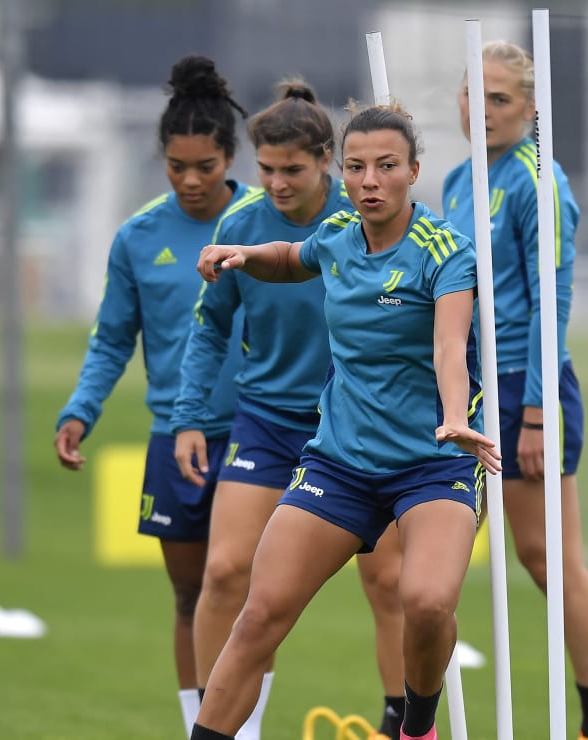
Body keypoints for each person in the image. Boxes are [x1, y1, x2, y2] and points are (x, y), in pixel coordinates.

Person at [188, 102, 501, 740]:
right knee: (259, 613)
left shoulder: (446, 251)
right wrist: (245, 254)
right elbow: (292, 256)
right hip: (341, 462)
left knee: (427, 600)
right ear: (342, 170)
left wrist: (451, 417)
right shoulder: (335, 235)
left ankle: (416, 728)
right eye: (357, 167)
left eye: (386, 167)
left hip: (433, 461)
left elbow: (450, 346)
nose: (369, 181)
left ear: (414, 171)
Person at [172, 80, 408, 738]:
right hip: (267, 424)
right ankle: (222, 730)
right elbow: (210, 326)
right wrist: (191, 415)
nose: (276, 183)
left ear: (327, 161)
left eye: (292, 170)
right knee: (224, 575)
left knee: (390, 583)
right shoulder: (241, 226)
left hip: (356, 430)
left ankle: (400, 724)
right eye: (266, 170)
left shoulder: (363, 220)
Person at [52, 55, 254, 737]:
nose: (191, 180)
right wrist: (82, 408)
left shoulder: (264, 225)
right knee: (191, 594)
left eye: (204, 165)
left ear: (230, 156)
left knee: (241, 594)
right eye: (176, 166)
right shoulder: (139, 237)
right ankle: (198, 725)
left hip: (259, 432)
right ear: (162, 159)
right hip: (177, 435)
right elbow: (113, 338)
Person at [441, 40, 588, 740]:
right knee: (427, 557)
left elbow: (551, 299)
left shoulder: (537, 181)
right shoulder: (461, 179)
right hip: (467, 386)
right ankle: (412, 715)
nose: (482, 110)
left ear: (530, 109)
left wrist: (537, 415)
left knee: (548, 558)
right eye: (472, 95)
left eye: (500, 99)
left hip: (525, 385)